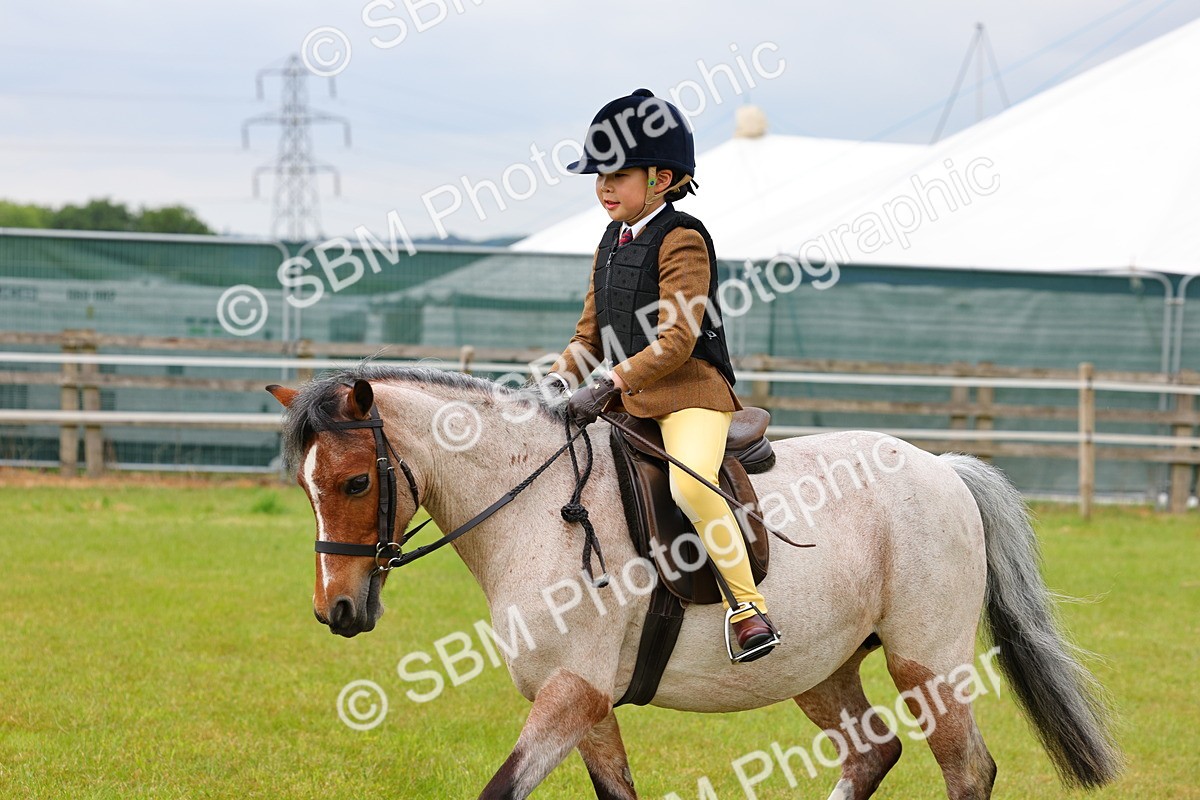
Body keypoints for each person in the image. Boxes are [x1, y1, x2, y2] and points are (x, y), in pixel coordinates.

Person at [541, 88, 778, 662]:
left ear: (661, 178)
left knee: (690, 483)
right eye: (597, 177)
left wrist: (608, 383)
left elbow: (676, 341)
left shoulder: (682, 238)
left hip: (687, 392)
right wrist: (553, 380)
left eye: (616, 176)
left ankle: (747, 609)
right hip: (626, 394)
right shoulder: (610, 242)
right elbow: (588, 337)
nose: (602, 187)